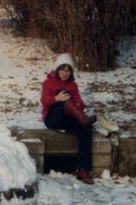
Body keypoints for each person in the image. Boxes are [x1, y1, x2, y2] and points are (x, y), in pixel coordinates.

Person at [40, 53, 117, 185]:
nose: (65, 73)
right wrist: (56, 99)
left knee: (86, 130)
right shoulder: (49, 82)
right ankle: (87, 120)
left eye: (68, 70)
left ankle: (83, 171)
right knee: (63, 101)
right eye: (62, 69)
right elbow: (44, 101)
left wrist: (73, 103)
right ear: (57, 69)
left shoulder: (72, 86)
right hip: (52, 119)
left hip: (67, 119)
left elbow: (81, 104)